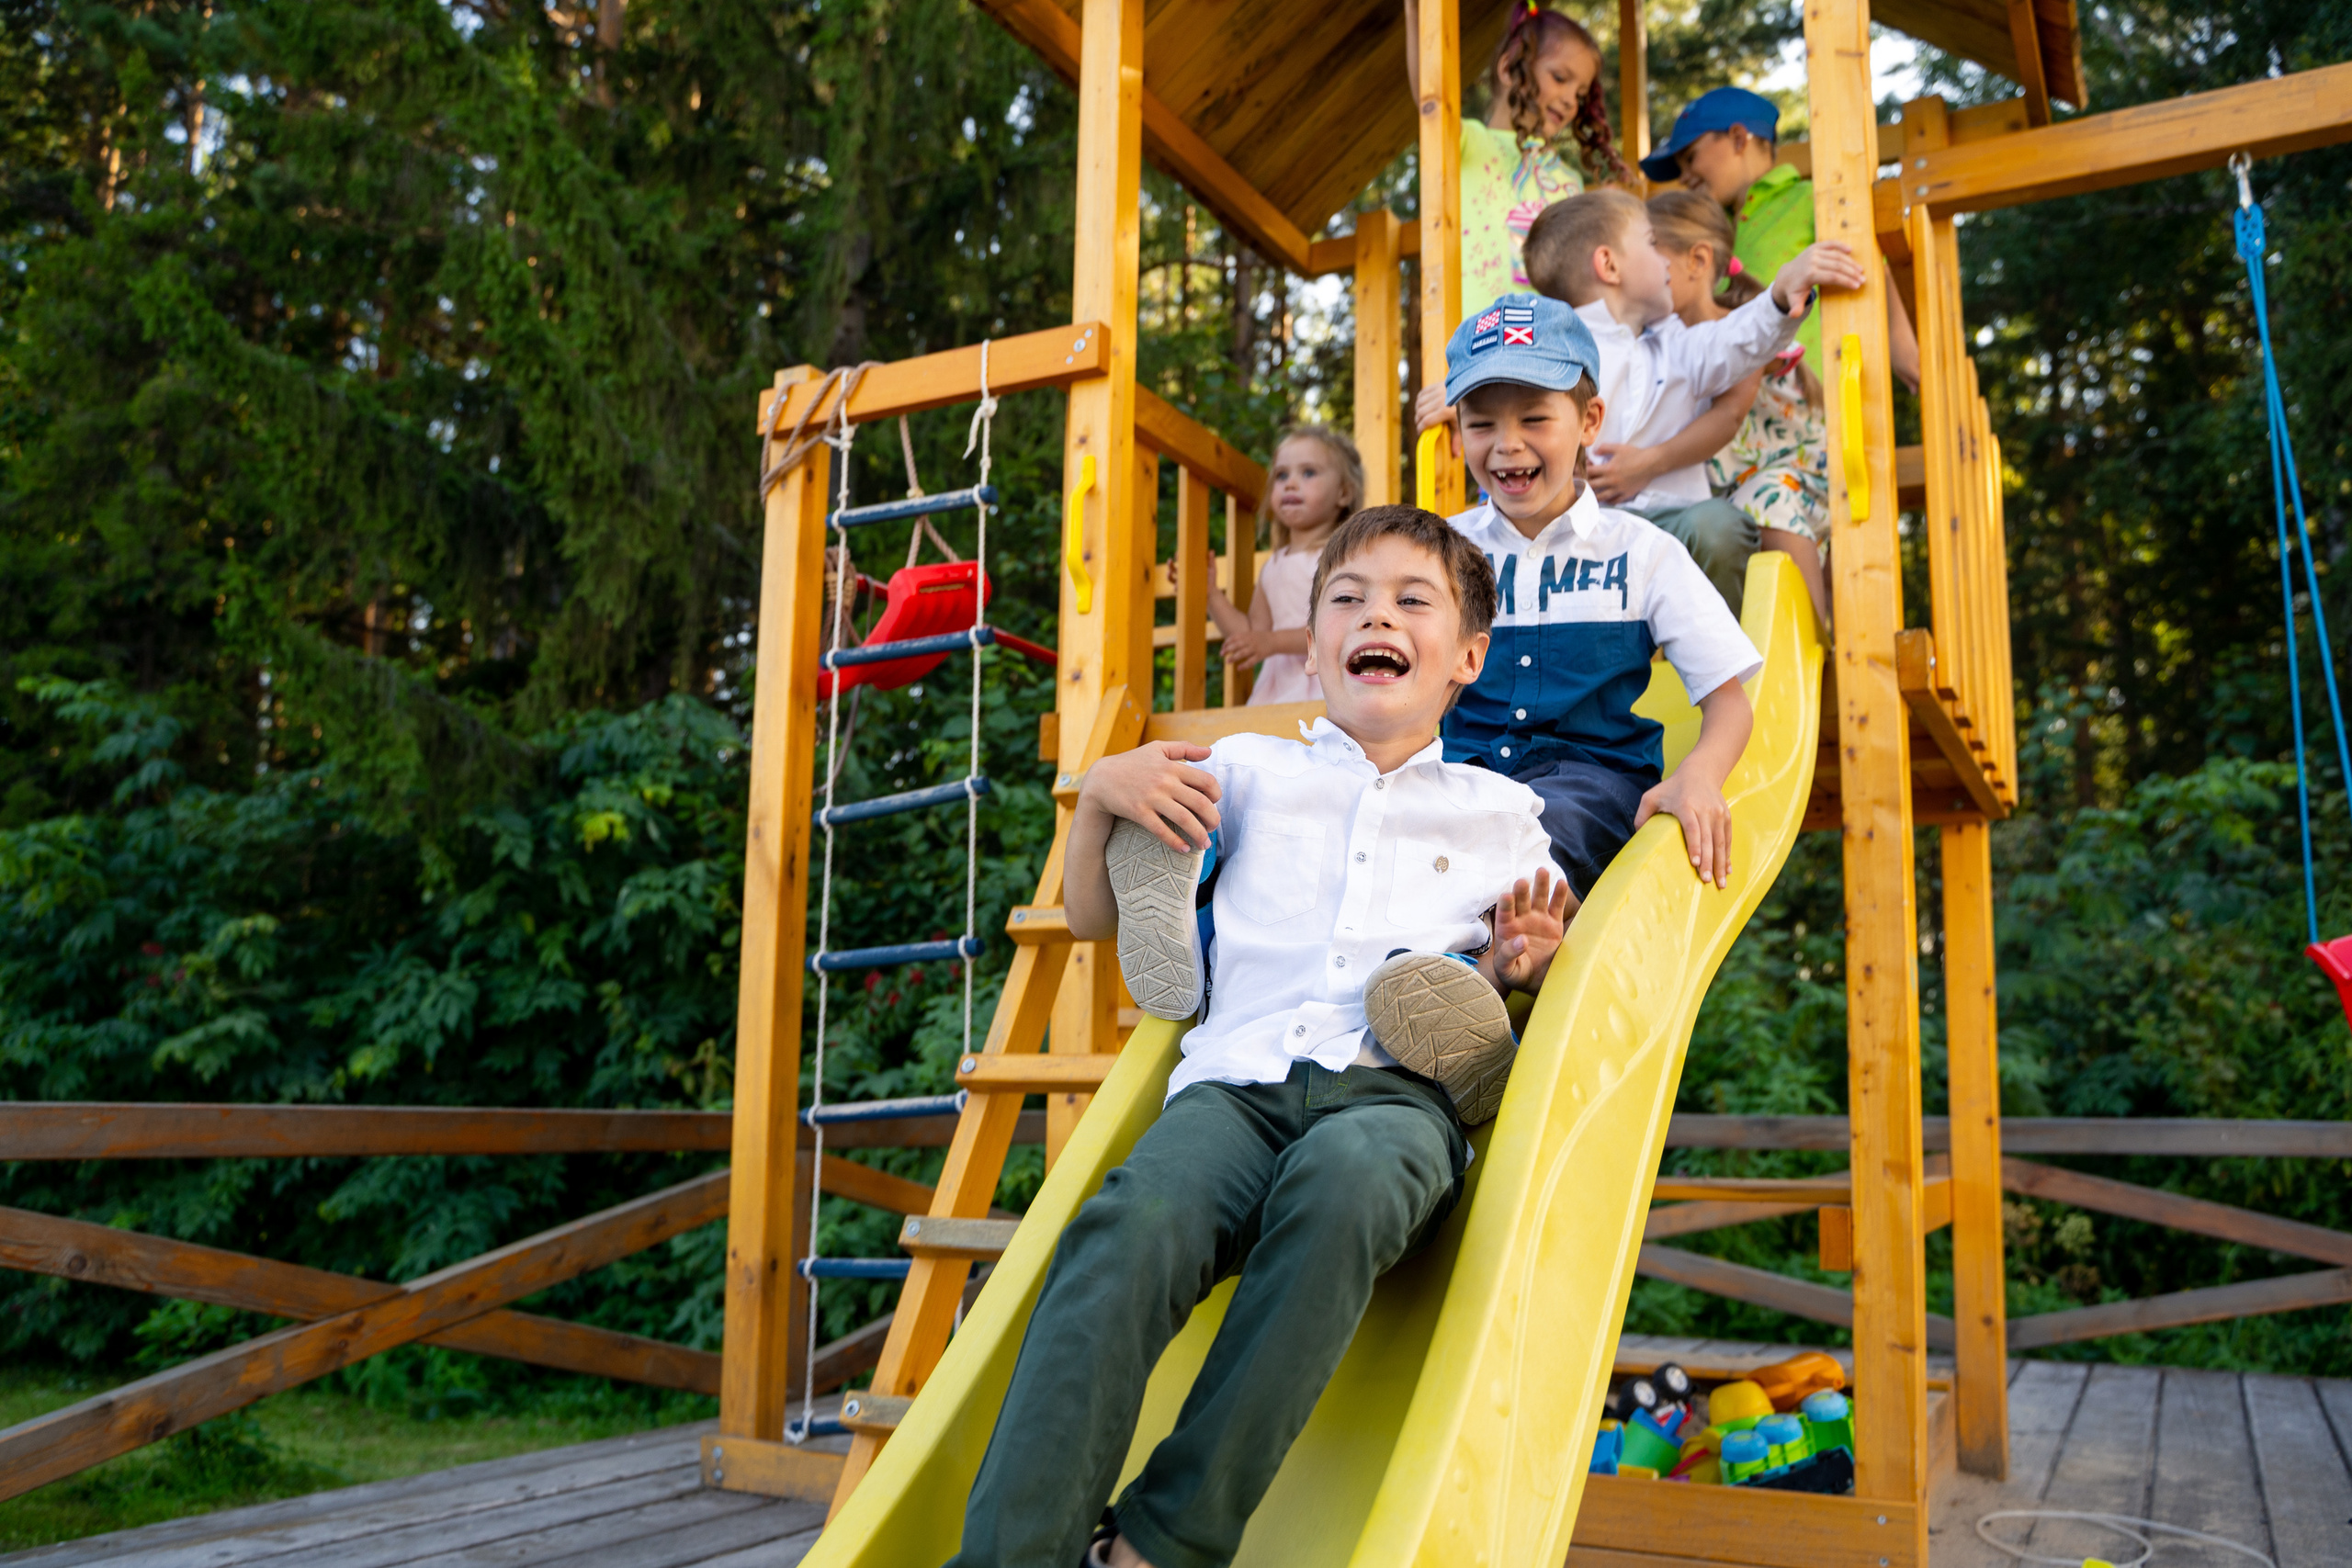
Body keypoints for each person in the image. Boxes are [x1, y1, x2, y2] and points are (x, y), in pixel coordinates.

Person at [946, 506, 1570, 1568]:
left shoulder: (1503, 812)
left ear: (1467, 657)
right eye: (1348, 599)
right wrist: (1099, 799)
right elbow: (1094, 921)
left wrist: (1520, 968)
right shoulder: (1242, 767)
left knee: (1352, 1181)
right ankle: (1012, 1556)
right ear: (1316, 642)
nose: (1377, 614)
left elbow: (1535, 955)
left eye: (1412, 601)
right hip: (1235, 1083)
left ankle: (1164, 1538)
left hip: (1393, 1091)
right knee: (1127, 1225)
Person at [1438, 290, 1799, 931]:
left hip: (1587, 786)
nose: (1506, 444)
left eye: (1534, 419)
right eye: (1482, 423)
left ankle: (1498, 956)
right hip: (1461, 784)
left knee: (1540, 828)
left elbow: (1728, 701)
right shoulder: (1439, 551)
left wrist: (1700, 774)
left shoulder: (1641, 552)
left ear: (1590, 420)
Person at [1499, 188, 1860, 614]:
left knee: (1720, 527)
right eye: (1651, 244)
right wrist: (1452, 401)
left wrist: (1781, 295)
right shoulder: (1555, 348)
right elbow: (1500, 387)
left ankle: (1720, 652)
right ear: (1610, 265)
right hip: (1590, 536)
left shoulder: (1677, 347)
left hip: (1676, 526)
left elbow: (1737, 339)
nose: (1662, 260)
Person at [1645, 85, 1920, 391]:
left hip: (1812, 396)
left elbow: (1870, 267)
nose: (1683, 176)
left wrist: (1901, 341)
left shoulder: (1809, 199)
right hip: (1735, 405)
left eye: (1690, 157)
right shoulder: (1709, 230)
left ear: (1738, 138)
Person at [1643, 188, 1832, 628]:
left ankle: (1812, 638)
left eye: (1655, 260)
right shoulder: (1658, 340)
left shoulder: (1739, 328)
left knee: (1766, 501)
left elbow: (1727, 419)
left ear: (1698, 261)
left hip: (1793, 465)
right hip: (1730, 481)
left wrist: (1645, 465)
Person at [1402, 0, 1628, 306]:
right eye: (1560, 78)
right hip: (1476, 337)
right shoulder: (1468, 143)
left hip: (1545, 341)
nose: (1569, 101)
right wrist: (1416, 13)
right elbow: (1431, 99)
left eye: (1580, 94)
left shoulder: (1569, 181)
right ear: (1509, 68)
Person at [1204, 424, 1363, 705]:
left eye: (1308, 472)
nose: (1290, 483)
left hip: (1326, 689)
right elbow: (1253, 634)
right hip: (1275, 693)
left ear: (1344, 494)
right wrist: (1210, 594)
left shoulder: (1342, 556)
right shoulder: (1273, 565)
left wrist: (1271, 643)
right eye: (1281, 475)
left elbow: (1339, 629)